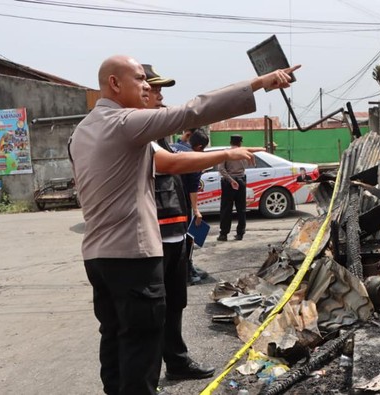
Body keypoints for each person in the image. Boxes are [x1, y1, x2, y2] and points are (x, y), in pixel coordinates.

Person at [69, 55, 298, 395]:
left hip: (99, 257)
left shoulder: (83, 130)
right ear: (115, 84)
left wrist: (224, 155)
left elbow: (170, 162)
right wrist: (258, 83)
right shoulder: (126, 123)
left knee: (115, 337)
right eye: (139, 79)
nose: (147, 86)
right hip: (133, 256)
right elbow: (193, 110)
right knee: (141, 347)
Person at [143, 64, 213, 383]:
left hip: (175, 235)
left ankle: (177, 361)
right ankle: (146, 377)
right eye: (154, 90)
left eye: (161, 92)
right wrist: (224, 155)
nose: (160, 97)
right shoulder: (138, 134)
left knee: (175, 304)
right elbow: (170, 165)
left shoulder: (162, 134)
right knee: (150, 312)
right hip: (150, 240)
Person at [171, 128, 211, 285]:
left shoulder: (174, 147)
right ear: (200, 147)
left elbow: (182, 140)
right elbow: (193, 188)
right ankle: (187, 274)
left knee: (176, 240)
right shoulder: (193, 158)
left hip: (166, 201)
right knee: (187, 239)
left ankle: (189, 268)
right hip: (182, 203)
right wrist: (196, 210)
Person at [217, 134, 248, 241]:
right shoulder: (244, 153)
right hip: (241, 181)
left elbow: (221, 169)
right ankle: (240, 233)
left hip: (228, 183)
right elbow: (246, 166)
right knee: (241, 209)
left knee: (226, 209)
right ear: (240, 143)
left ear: (230, 142)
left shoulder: (226, 153)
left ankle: (223, 234)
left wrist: (231, 180)